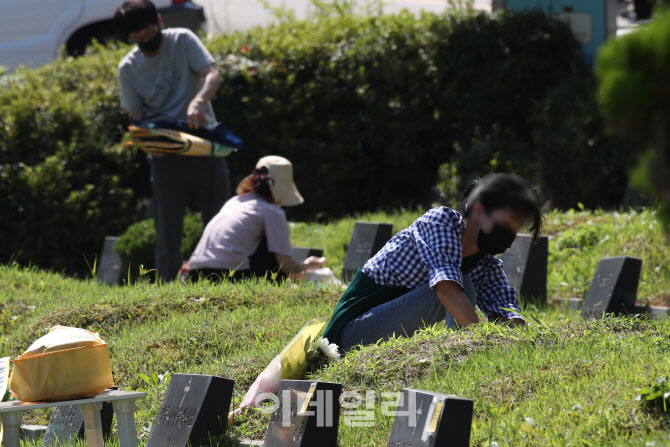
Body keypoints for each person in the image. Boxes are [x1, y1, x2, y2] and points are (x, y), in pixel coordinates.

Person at [322, 173, 543, 354]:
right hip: (351, 336)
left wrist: (517, 339)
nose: (509, 235)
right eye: (505, 224)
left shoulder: (486, 265)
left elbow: (507, 314)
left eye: (515, 228)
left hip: (383, 334)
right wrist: (481, 345)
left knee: (465, 285)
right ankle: (460, 357)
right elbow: (447, 290)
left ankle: (465, 352)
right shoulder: (439, 222)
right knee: (460, 284)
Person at [114, 0, 233, 281]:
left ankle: (222, 282)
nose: (146, 41)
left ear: (159, 22)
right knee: (167, 231)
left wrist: (199, 102)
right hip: (165, 156)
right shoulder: (128, 68)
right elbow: (136, 117)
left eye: (148, 33)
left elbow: (212, 75)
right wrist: (150, 140)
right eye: (137, 39)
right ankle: (166, 289)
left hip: (205, 145)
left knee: (218, 223)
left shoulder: (183, 40)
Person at [183, 156, 326, 282]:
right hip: (228, 274)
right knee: (270, 251)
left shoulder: (234, 202)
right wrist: (306, 266)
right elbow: (285, 265)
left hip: (195, 274)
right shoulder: (271, 211)